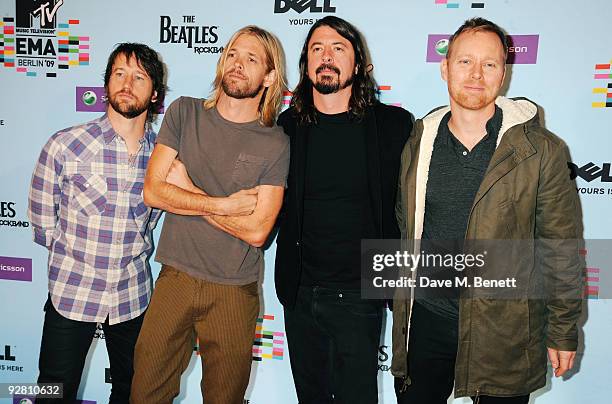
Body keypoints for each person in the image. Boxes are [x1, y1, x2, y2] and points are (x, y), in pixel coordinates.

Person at [392, 17, 583, 403]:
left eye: (489, 64)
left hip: (504, 332)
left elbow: (560, 246)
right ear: (445, 68)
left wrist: (563, 330)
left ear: (504, 74)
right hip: (426, 325)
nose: (476, 74)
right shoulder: (419, 140)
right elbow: (405, 225)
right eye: (464, 62)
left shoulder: (542, 150)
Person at [130, 26, 289, 404]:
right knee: (145, 394)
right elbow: (153, 192)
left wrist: (187, 189)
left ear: (268, 77)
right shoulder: (184, 112)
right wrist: (224, 205)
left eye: (252, 59)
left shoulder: (276, 142)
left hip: (234, 290)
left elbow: (256, 232)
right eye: (233, 53)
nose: (238, 64)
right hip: (175, 278)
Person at [275, 16, 413, 403]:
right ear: (306, 65)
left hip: (361, 293)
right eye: (317, 49)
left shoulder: (394, 126)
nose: (327, 56)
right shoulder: (285, 128)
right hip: (301, 291)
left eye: (339, 48)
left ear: (359, 64)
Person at [28, 43, 165, 403]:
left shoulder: (163, 158)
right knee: (51, 391)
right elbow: (43, 222)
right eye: (119, 73)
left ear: (155, 95)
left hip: (131, 297)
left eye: (139, 77)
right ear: (105, 85)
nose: (127, 83)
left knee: (132, 391)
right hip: (72, 292)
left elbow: (154, 219)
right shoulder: (65, 146)